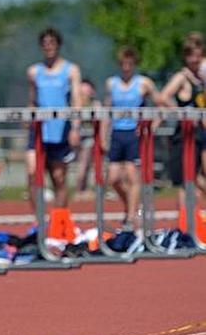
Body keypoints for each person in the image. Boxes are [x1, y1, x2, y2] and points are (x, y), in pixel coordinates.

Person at [102, 47, 161, 230]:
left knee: (131, 175)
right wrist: (104, 135)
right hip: (117, 133)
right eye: (123, 63)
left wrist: (153, 126)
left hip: (134, 135)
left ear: (134, 64)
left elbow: (161, 103)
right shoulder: (112, 83)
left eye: (130, 63)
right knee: (112, 178)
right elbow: (106, 110)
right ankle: (131, 205)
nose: (126, 67)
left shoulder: (143, 83)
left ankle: (130, 217)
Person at [26, 27, 82, 210]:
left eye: (51, 43)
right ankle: (39, 223)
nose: (48, 47)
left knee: (58, 178)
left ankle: (59, 221)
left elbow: (76, 100)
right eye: (45, 44)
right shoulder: (34, 72)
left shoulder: (71, 70)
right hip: (39, 130)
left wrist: (75, 128)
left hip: (60, 130)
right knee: (33, 173)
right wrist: (28, 116)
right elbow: (32, 100)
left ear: (58, 45)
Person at [160, 35, 206, 207]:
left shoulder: (202, 75)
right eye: (191, 56)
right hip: (187, 134)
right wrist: (180, 112)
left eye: (198, 56)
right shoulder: (181, 77)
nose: (194, 60)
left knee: (197, 176)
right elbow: (163, 97)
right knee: (187, 178)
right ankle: (185, 221)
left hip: (202, 132)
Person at [73, 79, 101, 198]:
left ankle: (83, 189)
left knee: (85, 164)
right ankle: (79, 190)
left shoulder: (95, 104)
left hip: (90, 137)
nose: (84, 93)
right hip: (77, 136)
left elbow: (100, 117)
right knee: (82, 164)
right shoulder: (74, 104)